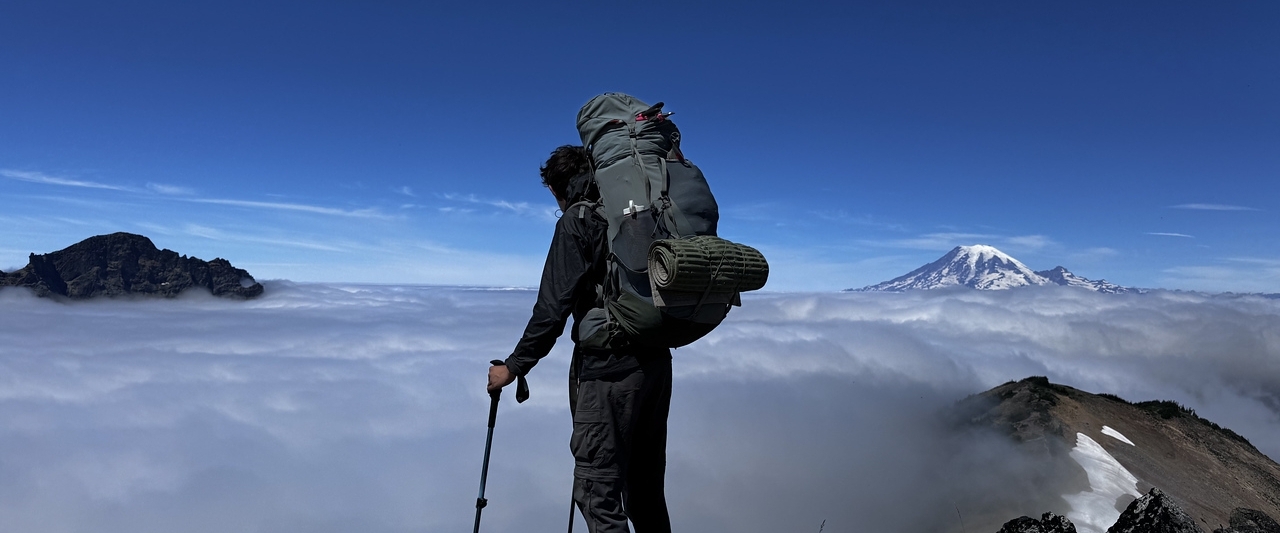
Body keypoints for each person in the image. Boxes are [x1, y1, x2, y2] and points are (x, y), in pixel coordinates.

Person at [487, 145, 673, 533]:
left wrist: (514, 366)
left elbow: (552, 309)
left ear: (558, 188)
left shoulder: (578, 220)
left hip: (609, 372)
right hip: (656, 364)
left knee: (596, 493)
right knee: (645, 491)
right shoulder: (637, 213)